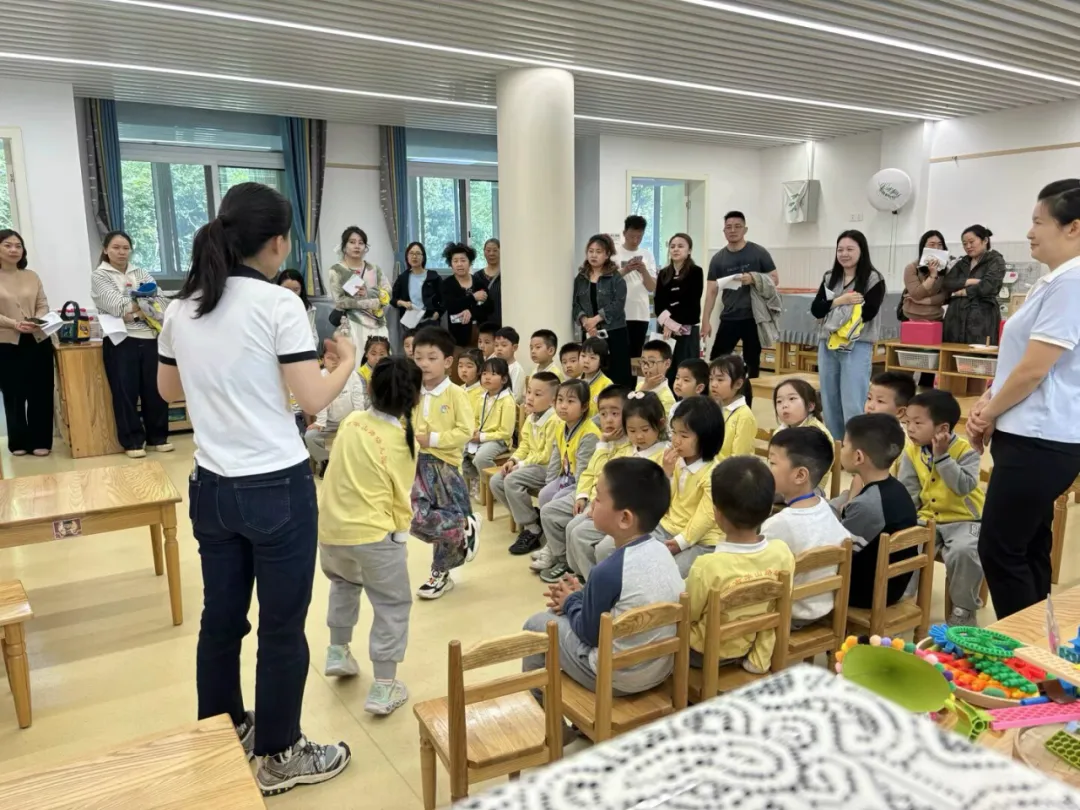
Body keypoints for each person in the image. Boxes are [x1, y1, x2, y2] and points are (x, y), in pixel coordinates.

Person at [156, 182, 355, 794]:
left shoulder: (182, 306)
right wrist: (346, 360)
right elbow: (313, 398)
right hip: (275, 487)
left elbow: (168, 392)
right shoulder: (278, 303)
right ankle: (280, 752)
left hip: (211, 487)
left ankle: (222, 733)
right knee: (281, 626)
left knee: (221, 618)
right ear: (277, 242)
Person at [968, 179, 1080, 618]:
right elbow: (1017, 362)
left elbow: (1035, 369)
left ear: (1073, 227)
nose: (1030, 233)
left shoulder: (1072, 283)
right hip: (1029, 433)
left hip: (1041, 437)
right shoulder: (1052, 281)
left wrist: (986, 415)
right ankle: (1040, 642)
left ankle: (1021, 646)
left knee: (1000, 548)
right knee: (1027, 546)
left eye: (1038, 222)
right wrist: (988, 402)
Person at [522, 457, 684, 702]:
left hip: (615, 676)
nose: (592, 505)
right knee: (562, 613)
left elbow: (589, 634)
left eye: (597, 498)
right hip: (658, 669)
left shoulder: (607, 571)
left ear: (625, 518)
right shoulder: (663, 552)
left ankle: (542, 712)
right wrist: (583, 596)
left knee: (536, 625)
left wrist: (571, 601)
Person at [317, 357, 421, 716]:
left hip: (331, 529)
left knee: (344, 583)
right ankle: (384, 686)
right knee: (392, 603)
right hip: (373, 533)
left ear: (371, 390)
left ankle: (337, 651)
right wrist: (401, 537)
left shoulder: (351, 421)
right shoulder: (403, 442)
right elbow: (401, 496)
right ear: (415, 398)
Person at [686, 456, 795, 673]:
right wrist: (759, 658)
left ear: (717, 514)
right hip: (750, 645)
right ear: (769, 509)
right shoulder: (782, 553)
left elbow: (688, 615)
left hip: (703, 654)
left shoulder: (707, 566)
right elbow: (779, 611)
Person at [597, 396, 725, 577]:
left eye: (684, 435)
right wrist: (667, 473)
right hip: (666, 527)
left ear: (706, 438)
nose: (676, 440)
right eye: (674, 432)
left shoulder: (714, 472)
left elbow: (705, 517)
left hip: (701, 540)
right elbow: (661, 500)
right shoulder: (675, 459)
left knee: (667, 573)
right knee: (606, 549)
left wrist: (680, 542)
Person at [899, 390, 984, 626]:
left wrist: (942, 457)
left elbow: (963, 486)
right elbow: (909, 491)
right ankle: (902, 600)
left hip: (965, 519)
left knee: (964, 552)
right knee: (904, 546)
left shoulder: (967, 451)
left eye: (918, 423)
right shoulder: (911, 451)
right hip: (927, 518)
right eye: (907, 422)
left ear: (942, 429)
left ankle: (964, 610)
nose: (910, 429)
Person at [409, 326, 480, 599]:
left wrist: (434, 439)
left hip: (445, 465)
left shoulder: (455, 393)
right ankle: (463, 526)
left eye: (431, 357)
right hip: (418, 463)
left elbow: (465, 431)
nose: (424, 364)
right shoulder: (413, 390)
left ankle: (440, 574)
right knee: (417, 518)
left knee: (442, 513)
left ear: (448, 361)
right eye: (418, 358)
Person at [566, 391, 667, 580]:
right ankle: (590, 580)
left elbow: (650, 496)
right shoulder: (626, 449)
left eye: (645, 430)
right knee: (577, 531)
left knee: (603, 547)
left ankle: (607, 585)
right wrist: (598, 502)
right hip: (615, 509)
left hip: (636, 517)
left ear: (660, 424)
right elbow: (603, 475)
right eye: (632, 431)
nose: (639, 436)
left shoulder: (664, 455)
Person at [91, 230, 172, 459]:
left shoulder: (140, 272)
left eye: (126, 248)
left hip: (149, 337)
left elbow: (162, 301)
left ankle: (158, 437)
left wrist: (135, 310)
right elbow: (117, 306)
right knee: (125, 391)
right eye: (116, 248)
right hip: (120, 339)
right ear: (106, 250)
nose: (121, 252)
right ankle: (133, 441)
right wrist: (143, 303)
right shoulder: (100, 275)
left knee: (155, 390)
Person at [538, 385, 631, 582]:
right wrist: (581, 496)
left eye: (615, 414)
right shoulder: (605, 441)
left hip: (605, 502)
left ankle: (589, 579)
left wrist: (593, 502)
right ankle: (564, 560)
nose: (608, 419)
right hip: (588, 494)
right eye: (603, 414)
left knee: (576, 529)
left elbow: (609, 481)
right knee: (548, 512)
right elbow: (589, 473)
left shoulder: (629, 446)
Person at [830, 414, 918, 609]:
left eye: (844, 445)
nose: (841, 449)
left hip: (865, 592)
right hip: (892, 586)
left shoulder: (867, 505)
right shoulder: (898, 489)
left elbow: (837, 553)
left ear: (858, 457)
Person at [764, 428, 848, 625]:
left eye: (773, 463)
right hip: (821, 609)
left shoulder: (778, 524)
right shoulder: (826, 509)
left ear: (800, 475)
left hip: (786, 616)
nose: (768, 470)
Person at [811, 230, 886, 440]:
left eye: (850, 249)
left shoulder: (873, 278)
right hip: (828, 343)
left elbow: (868, 312)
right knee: (829, 399)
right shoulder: (830, 277)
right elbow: (816, 309)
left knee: (853, 400)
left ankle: (855, 446)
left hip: (857, 345)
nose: (844, 254)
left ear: (862, 251)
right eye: (840, 249)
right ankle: (837, 446)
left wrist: (831, 308)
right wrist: (841, 301)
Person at [489, 372, 561, 552]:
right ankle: (532, 519)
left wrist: (521, 465)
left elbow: (547, 456)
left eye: (537, 394)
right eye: (529, 392)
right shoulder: (531, 417)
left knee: (512, 479)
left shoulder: (555, 420)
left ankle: (532, 529)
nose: (530, 397)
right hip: (531, 466)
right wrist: (514, 459)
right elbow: (525, 445)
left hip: (548, 469)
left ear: (553, 401)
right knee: (496, 481)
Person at [702, 211, 778, 375]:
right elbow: (711, 291)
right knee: (717, 360)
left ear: (745, 229)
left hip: (754, 317)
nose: (733, 230)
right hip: (729, 316)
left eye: (737, 226)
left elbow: (774, 279)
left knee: (752, 363)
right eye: (728, 227)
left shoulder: (758, 252)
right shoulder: (718, 259)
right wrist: (705, 321)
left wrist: (754, 278)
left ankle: (749, 392)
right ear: (724, 231)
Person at [0, 229, 53, 457]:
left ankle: (41, 440)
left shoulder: (32, 276)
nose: (14, 250)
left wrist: (35, 321)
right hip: (7, 342)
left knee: (41, 391)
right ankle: (18, 441)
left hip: (37, 338)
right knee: (14, 393)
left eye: (18, 246)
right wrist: (14, 323)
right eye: (7, 245)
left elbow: (43, 304)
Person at [572, 234, 631, 386]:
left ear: (607, 254)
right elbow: (575, 304)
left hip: (614, 331)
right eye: (591, 251)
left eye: (598, 252)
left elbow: (618, 304)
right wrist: (585, 321)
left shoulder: (615, 277)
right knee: (591, 371)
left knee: (617, 374)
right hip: (589, 331)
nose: (594, 255)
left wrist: (596, 319)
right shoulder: (581, 278)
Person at [328, 227, 391, 365]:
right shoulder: (337, 270)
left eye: (361, 242)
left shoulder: (374, 268)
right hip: (353, 324)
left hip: (378, 323)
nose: (357, 246)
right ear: (344, 246)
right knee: (356, 365)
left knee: (382, 365)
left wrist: (369, 293)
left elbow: (388, 292)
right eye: (352, 242)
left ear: (365, 247)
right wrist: (371, 302)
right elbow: (340, 301)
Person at [303, 348, 366, 476]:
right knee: (309, 436)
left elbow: (358, 403)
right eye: (330, 358)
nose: (335, 361)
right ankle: (328, 459)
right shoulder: (320, 377)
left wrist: (357, 423)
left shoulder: (352, 376)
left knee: (362, 436)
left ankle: (349, 464)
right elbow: (320, 402)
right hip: (328, 422)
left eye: (338, 357)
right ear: (323, 360)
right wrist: (320, 422)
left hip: (349, 421)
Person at [461, 357, 516, 500]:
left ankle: (493, 488)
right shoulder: (483, 397)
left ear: (504, 379)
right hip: (481, 436)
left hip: (499, 440)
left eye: (493, 374)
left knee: (481, 458)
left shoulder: (507, 400)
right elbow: (476, 419)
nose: (487, 377)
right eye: (484, 373)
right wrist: (473, 430)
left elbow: (506, 432)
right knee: (457, 450)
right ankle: (477, 479)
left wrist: (482, 437)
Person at [943, 225, 1006, 346]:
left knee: (978, 352)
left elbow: (989, 285)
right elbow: (947, 283)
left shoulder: (995, 260)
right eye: (964, 244)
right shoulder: (962, 262)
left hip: (981, 317)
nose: (968, 246)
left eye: (971, 242)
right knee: (951, 351)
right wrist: (969, 281)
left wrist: (964, 292)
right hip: (955, 317)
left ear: (985, 240)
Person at [653, 232, 704, 381]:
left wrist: (672, 324)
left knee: (686, 371)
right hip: (665, 330)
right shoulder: (663, 273)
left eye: (680, 246)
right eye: (672, 246)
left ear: (689, 250)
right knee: (666, 371)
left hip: (686, 330)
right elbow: (659, 302)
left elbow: (691, 301)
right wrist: (667, 323)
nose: (675, 249)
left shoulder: (696, 272)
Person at [614, 215, 658, 361]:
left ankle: (634, 378)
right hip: (617, 314)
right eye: (632, 236)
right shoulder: (614, 254)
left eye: (639, 237)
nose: (635, 240)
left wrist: (643, 270)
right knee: (618, 356)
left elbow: (651, 287)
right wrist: (626, 269)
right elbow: (608, 282)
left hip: (640, 313)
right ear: (624, 233)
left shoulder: (647, 255)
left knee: (636, 356)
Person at [709, 354, 757, 460]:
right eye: (711, 379)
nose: (713, 384)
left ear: (738, 384)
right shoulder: (713, 408)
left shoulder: (744, 416)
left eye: (720, 380)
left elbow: (739, 459)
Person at [441, 242, 488, 351]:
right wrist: (473, 298)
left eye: (463, 260)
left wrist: (471, 312)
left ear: (470, 262)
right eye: (455, 261)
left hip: (479, 335)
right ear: (451, 264)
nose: (459, 264)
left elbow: (488, 307)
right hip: (456, 336)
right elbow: (451, 305)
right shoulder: (447, 284)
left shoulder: (478, 282)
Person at [391, 242, 442, 331]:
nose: (414, 256)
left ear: (423, 257)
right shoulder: (402, 278)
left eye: (418, 253)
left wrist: (438, 313)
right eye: (411, 253)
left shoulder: (433, 276)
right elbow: (393, 300)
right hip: (410, 323)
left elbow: (444, 298)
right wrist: (403, 303)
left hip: (430, 322)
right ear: (407, 257)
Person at [902, 230, 950, 323]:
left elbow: (945, 296)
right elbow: (916, 293)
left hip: (936, 317)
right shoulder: (911, 268)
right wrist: (932, 276)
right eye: (932, 244)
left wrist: (921, 301)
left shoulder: (946, 270)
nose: (936, 248)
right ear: (923, 247)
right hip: (911, 317)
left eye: (940, 244)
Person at [276, 269, 319, 349]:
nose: (291, 294)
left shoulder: (308, 309)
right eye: (286, 289)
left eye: (296, 290)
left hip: (302, 351)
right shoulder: (272, 308)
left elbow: (314, 340)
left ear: (301, 290)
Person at [636, 340, 676, 414]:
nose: (645, 367)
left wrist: (644, 390)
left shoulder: (668, 399)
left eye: (652, 362)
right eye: (643, 361)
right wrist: (644, 388)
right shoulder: (641, 384)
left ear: (667, 364)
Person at [580, 336, 614, 414]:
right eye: (583, 356)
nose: (586, 361)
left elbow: (607, 412)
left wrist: (589, 422)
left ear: (601, 361)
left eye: (592, 358)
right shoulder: (576, 382)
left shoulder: (607, 385)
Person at [473, 238, 502, 328]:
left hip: (502, 321)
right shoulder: (477, 276)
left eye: (495, 250)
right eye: (488, 250)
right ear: (484, 252)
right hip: (483, 323)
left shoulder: (506, 275)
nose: (491, 253)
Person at [493, 326, 526, 404]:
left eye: (504, 345)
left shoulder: (517, 369)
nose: (499, 348)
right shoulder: (493, 366)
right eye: (496, 345)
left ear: (514, 347)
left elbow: (516, 396)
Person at [671, 358, 708, 423]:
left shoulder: (702, 412)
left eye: (686, 380)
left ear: (699, 388)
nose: (678, 383)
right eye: (677, 378)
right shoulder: (675, 406)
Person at [455, 347, 484, 416]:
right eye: (460, 366)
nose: (463, 370)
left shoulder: (484, 392)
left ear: (480, 369)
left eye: (469, 366)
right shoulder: (457, 389)